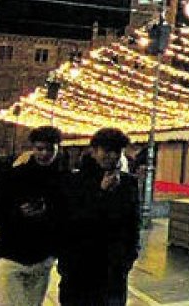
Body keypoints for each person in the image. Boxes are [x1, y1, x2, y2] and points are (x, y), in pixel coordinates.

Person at [58, 127, 141, 305]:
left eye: (116, 151)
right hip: (79, 270)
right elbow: (71, 222)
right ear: (94, 151)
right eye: (106, 150)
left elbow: (133, 224)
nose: (111, 156)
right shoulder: (74, 182)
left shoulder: (128, 184)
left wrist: (128, 258)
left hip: (113, 271)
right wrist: (101, 192)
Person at [0, 125, 65, 305]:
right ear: (33, 148)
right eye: (40, 149)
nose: (44, 154)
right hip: (11, 257)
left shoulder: (63, 181)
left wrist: (48, 213)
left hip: (42, 260)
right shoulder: (12, 176)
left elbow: (66, 219)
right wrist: (18, 212)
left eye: (50, 149)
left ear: (57, 149)